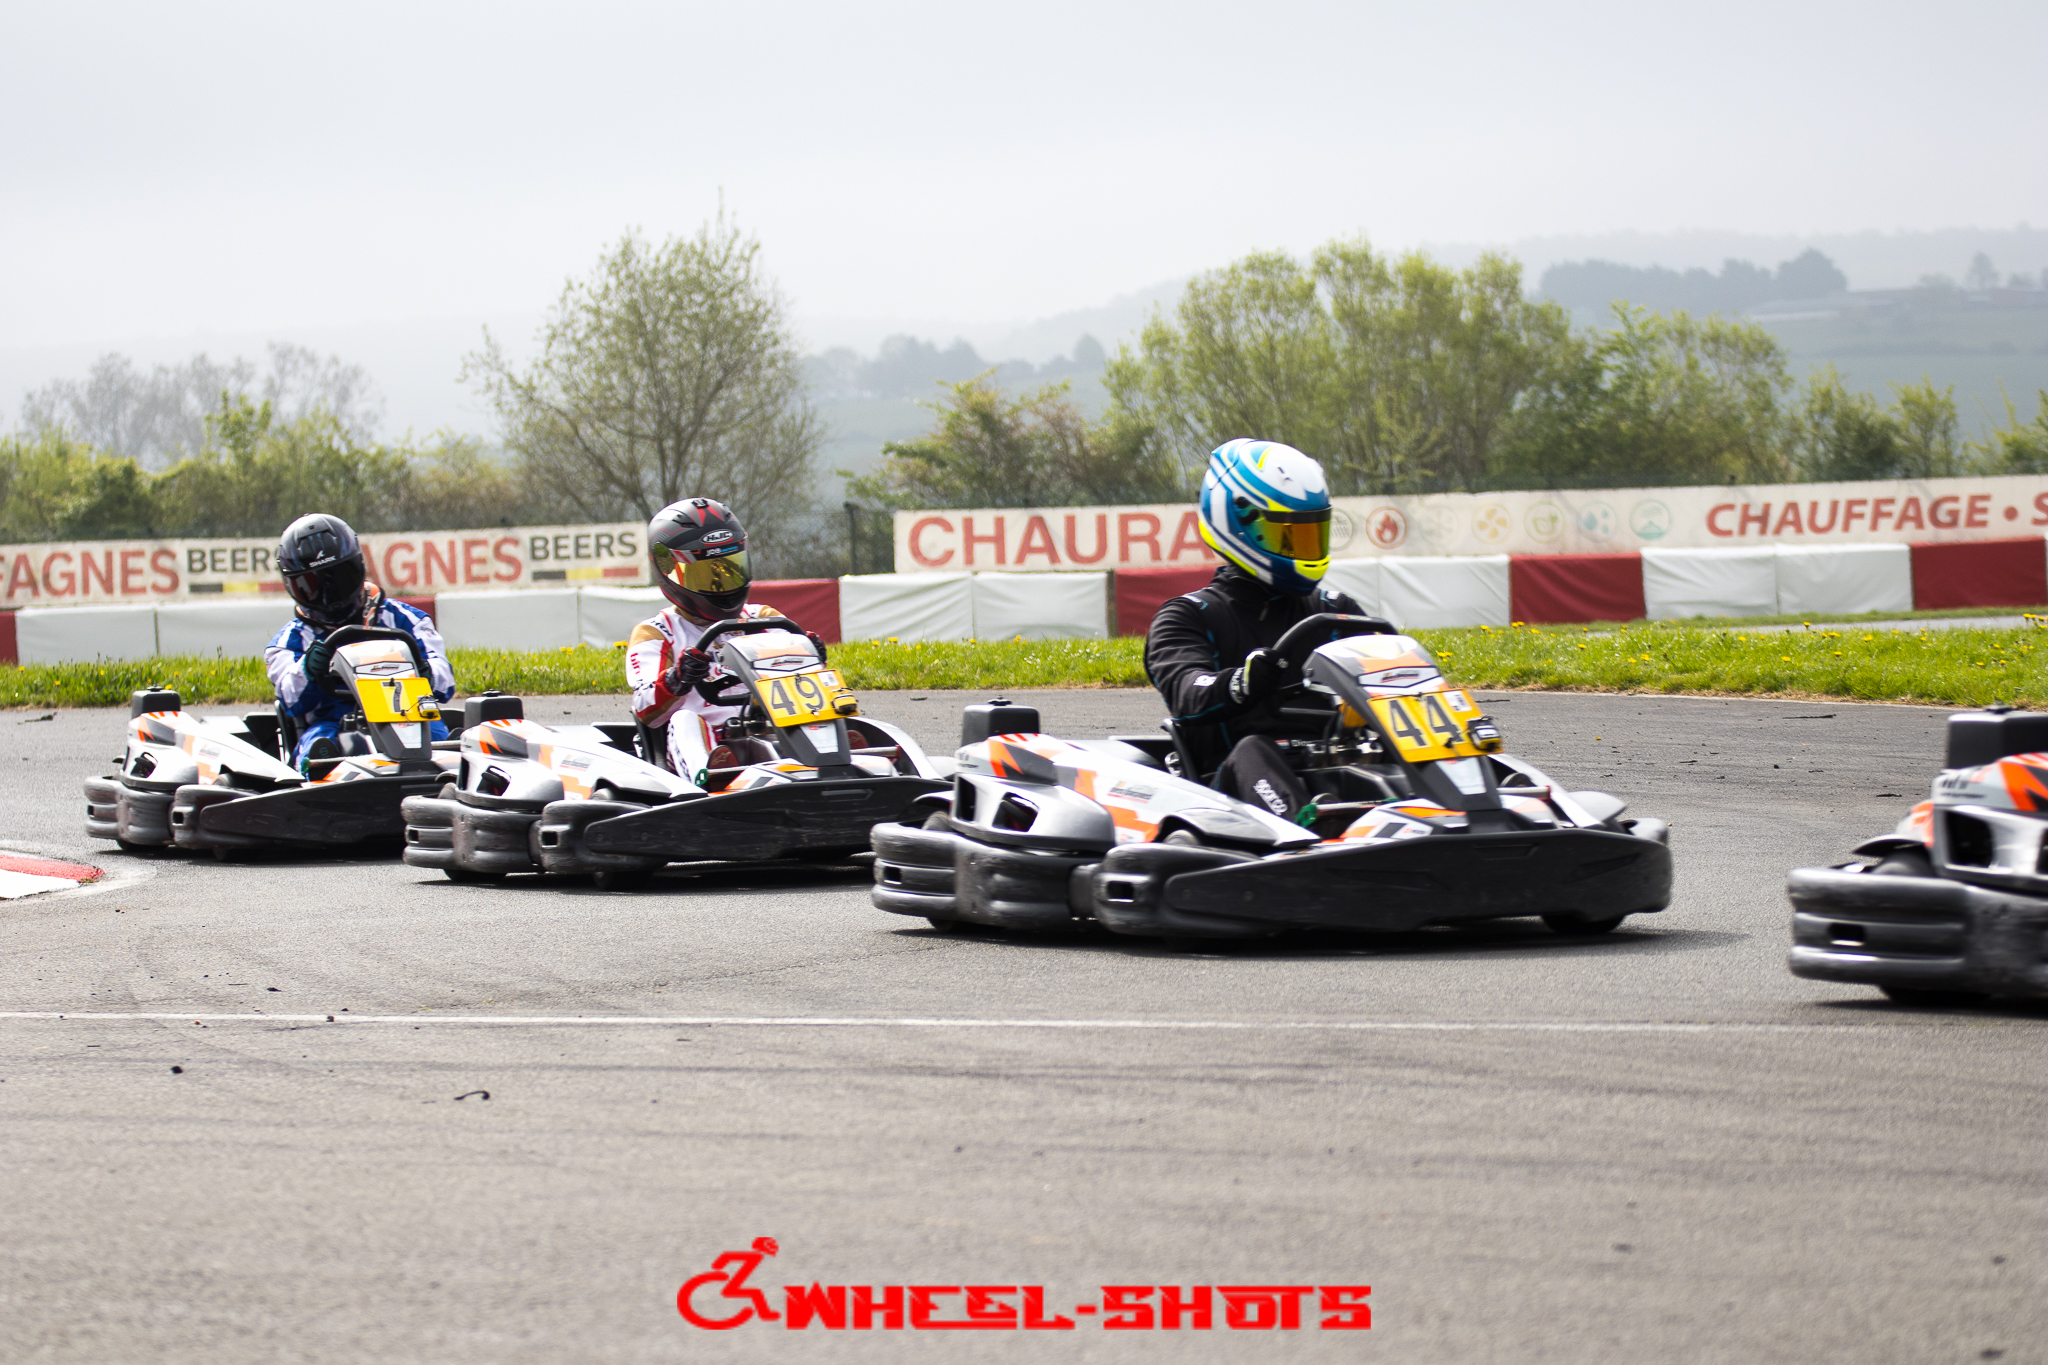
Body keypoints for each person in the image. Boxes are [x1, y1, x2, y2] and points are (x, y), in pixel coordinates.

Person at [1143, 438, 1389, 819]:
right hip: (1232, 795)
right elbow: (1187, 693)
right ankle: (1308, 834)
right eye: (1285, 535)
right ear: (1238, 525)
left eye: (1310, 534)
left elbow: (1389, 684)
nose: (1301, 549)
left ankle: (1470, 805)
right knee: (1253, 749)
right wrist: (1241, 682)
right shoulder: (1187, 616)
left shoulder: (1335, 612)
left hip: (1334, 768)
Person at [625, 497, 814, 778]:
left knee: (810, 706)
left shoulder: (762, 618)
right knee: (684, 719)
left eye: (729, 569)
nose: (721, 585)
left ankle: (837, 755)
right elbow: (645, 708)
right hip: (697, 747)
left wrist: (810, 655)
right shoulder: (657, 632)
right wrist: (677, 679)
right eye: (705, 575)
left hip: (769, 733)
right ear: (670, 571)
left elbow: (803, 683)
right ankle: (714, 777)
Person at [265, 513, 455, 770]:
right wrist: (307, 670)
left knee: (437, 736)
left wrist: (427, 673)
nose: (330, 595)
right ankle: (327, 777)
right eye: (313, 585)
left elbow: (446, 681)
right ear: (292, 586)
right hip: (332, 721)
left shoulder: (405, 620)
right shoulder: (288, 642)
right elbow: (289, 699)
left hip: (408, 712)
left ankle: (440, 773)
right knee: (317, 749)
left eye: (339, 578)